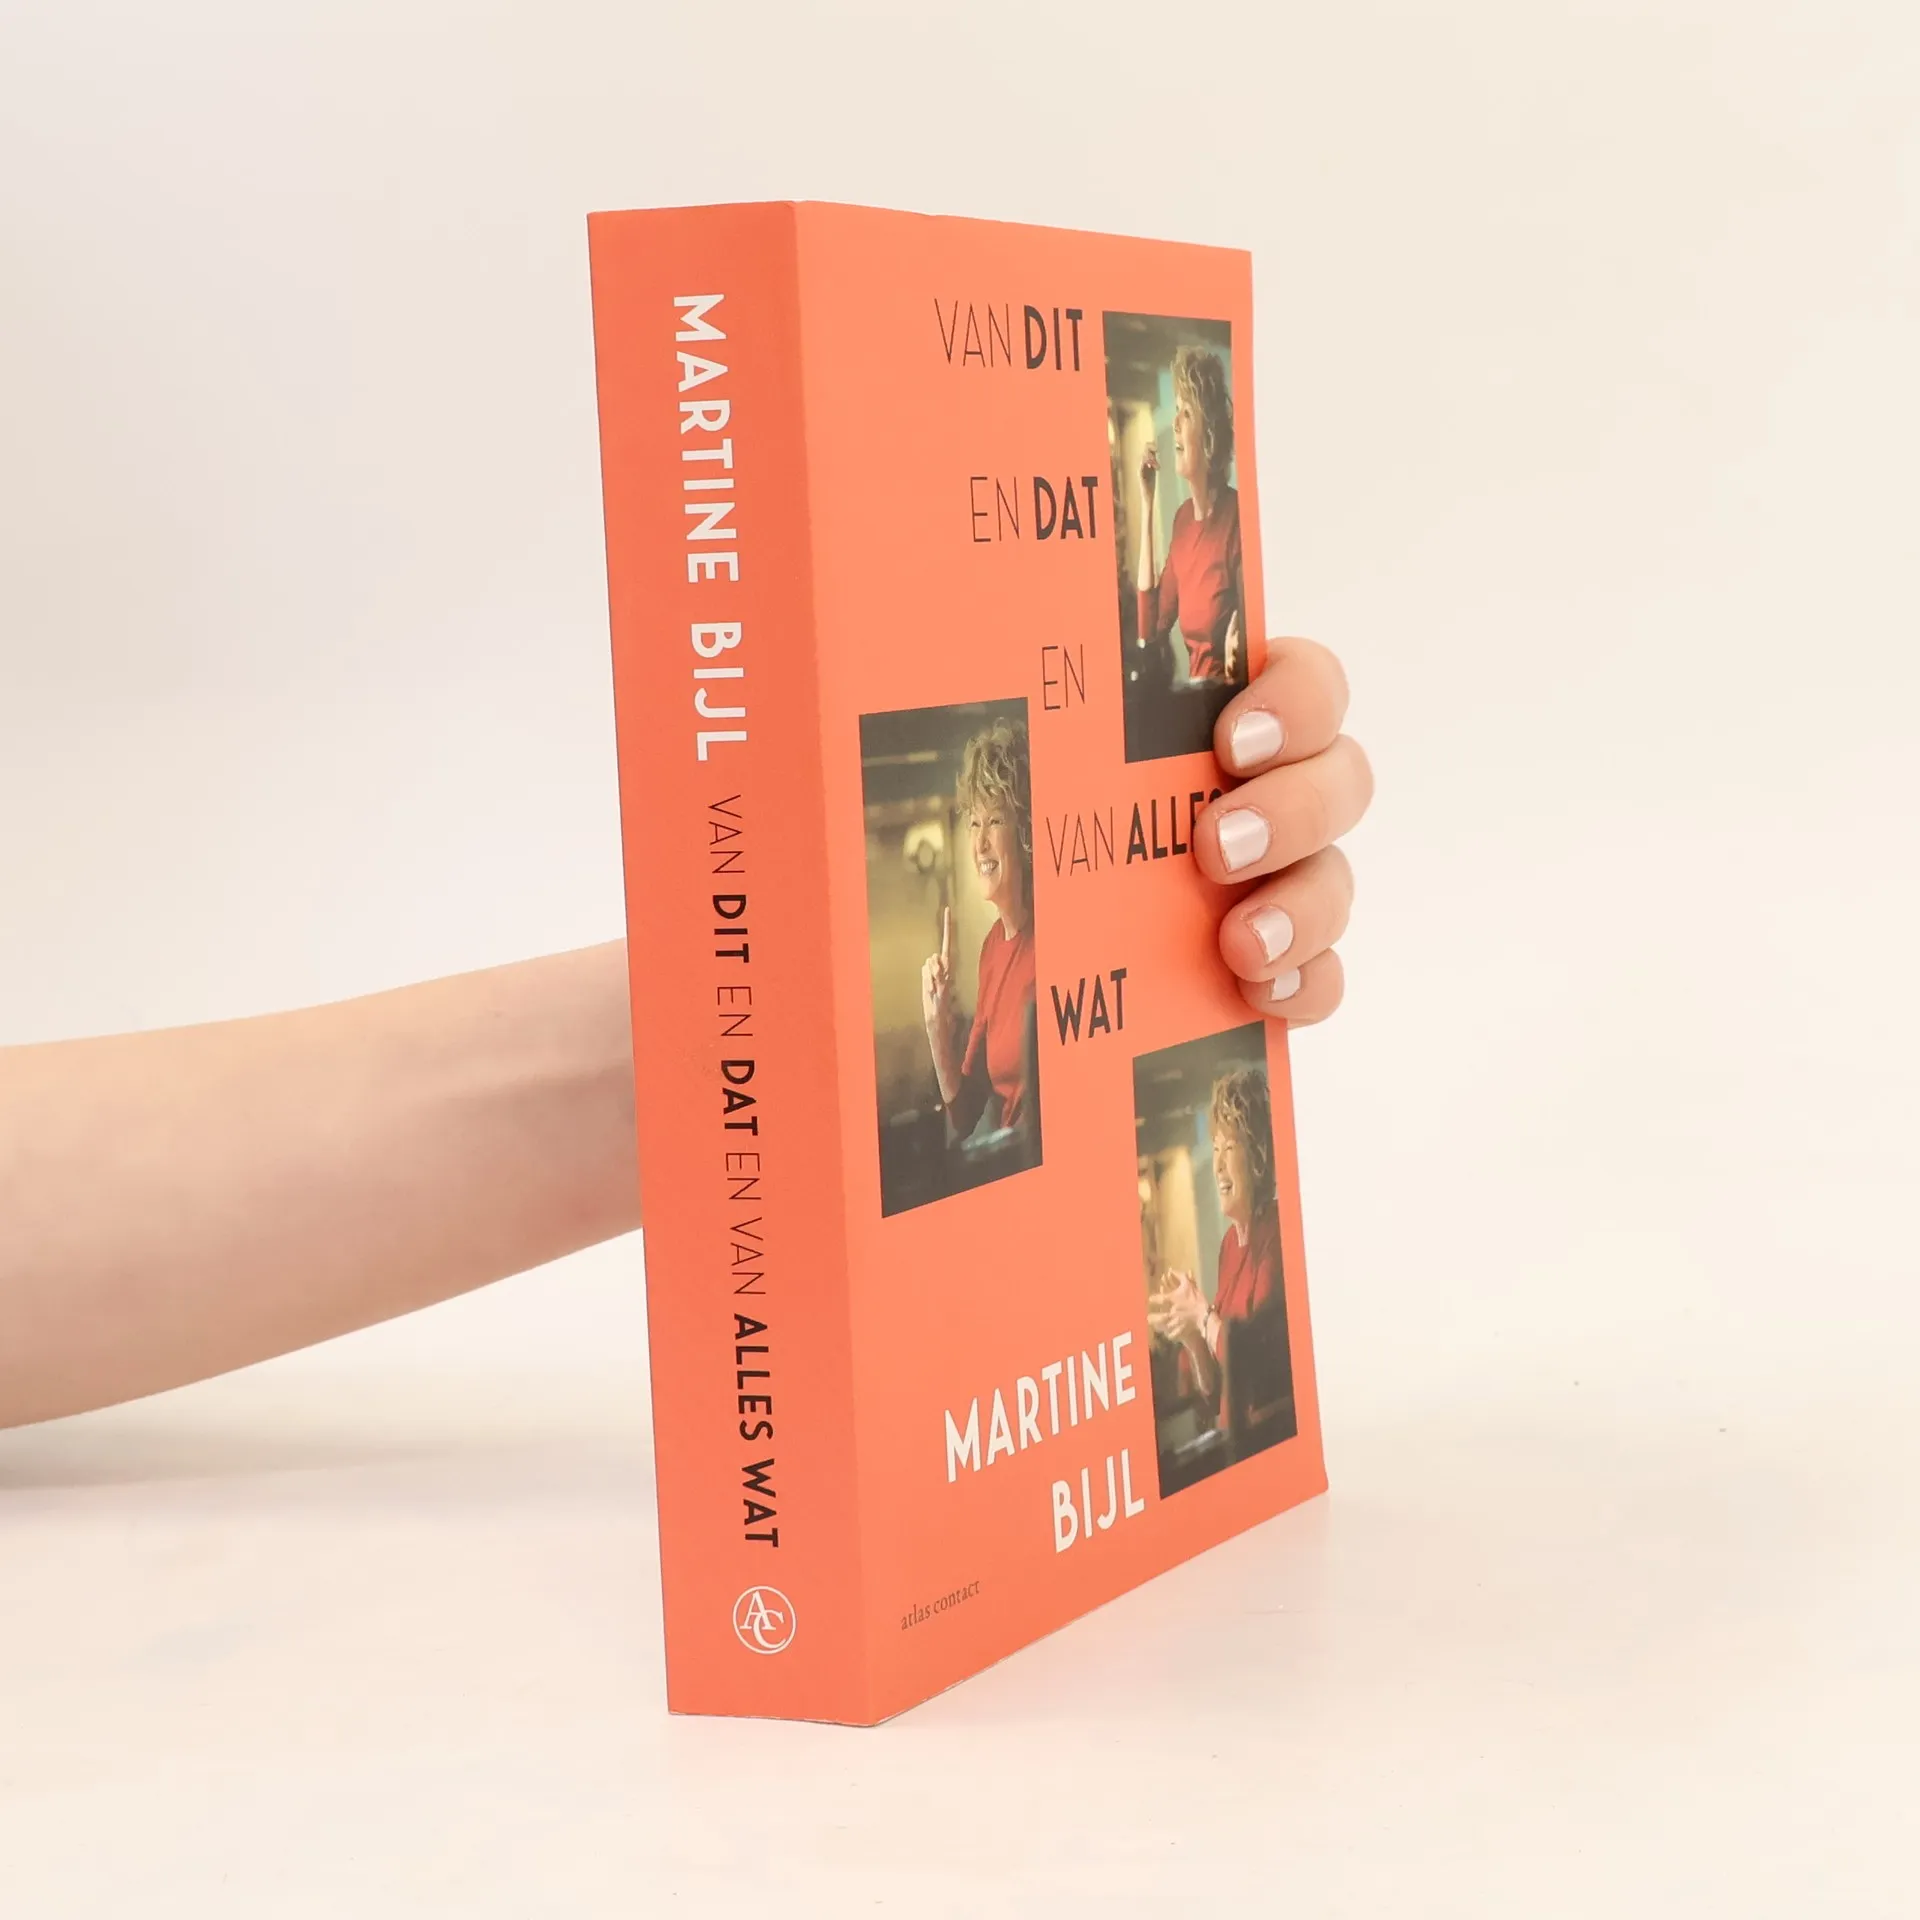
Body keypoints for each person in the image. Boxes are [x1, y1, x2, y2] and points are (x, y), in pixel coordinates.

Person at [0, 640, 1369, 1432]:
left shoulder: (1014, 957)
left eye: (997, 830)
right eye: (982, 830)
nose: (987, 854)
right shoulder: (979, 960)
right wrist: (809, 1032)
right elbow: (960, 1108)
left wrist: (754, 1023)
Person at [919, 717, 1037, 1142]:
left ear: (1026, 832)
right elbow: (965, 1113)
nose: (980, 843)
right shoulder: (992, 948)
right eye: (974, 822)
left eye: (996, 821)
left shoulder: (1057, 937)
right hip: (1015, 1163)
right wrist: (937, 1029)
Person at [1149, 1065, 1282, 1408]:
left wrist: (1201, 1313)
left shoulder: (1276, 1233)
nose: (1217, 1165)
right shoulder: (1229, 1247)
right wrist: (1192, 1336)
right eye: (1215, 1148)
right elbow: (1215, 1391)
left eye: (1230, 1147)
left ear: (1258, 1154)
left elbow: (1253, 1370)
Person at [1135, 343, 1245, 686]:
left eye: (1186, 413)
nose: (1175, 424)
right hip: (1194, 695)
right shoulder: (1183, 521)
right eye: (1176, 410)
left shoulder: (1238, 518)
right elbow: (1150, 628)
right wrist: (1147, 504)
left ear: (1209, 434)